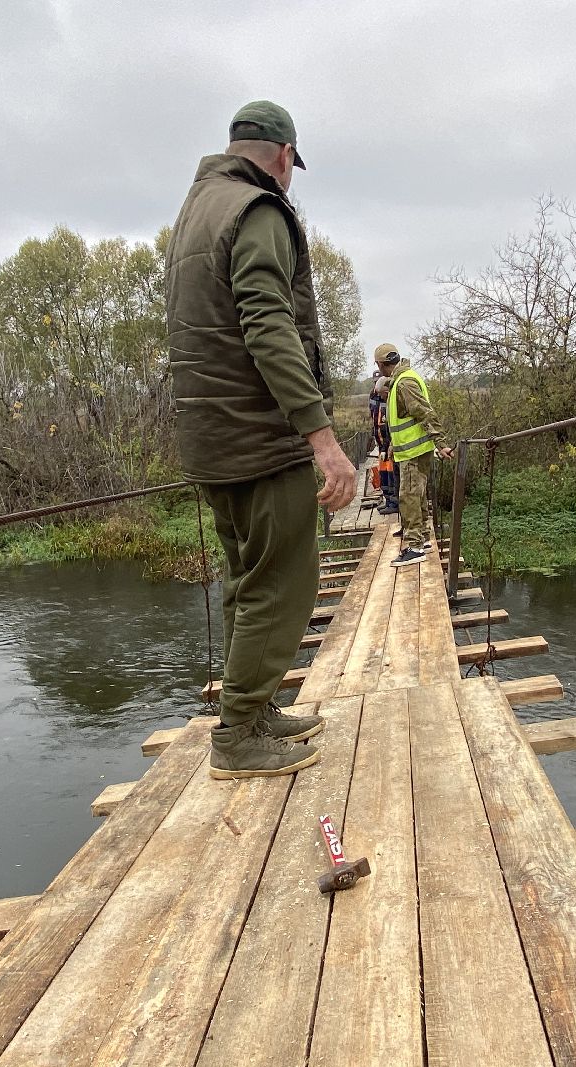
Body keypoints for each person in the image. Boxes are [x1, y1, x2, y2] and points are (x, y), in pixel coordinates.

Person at [167, 100, 357, 779]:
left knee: (250, 582)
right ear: (283, 155)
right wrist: (322, 438)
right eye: (292, 165)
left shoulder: (197, 210)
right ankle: (239, 736)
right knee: (284, 586)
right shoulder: (258, 210)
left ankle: (257, 708)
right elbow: (269, 326)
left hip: (213, 439)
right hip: (258, 437)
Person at [373, 344, 453, 566]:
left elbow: (425, 413)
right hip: (409, 449)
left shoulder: (404, 382)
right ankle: (423, 537)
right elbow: (403, 419)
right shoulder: (401, 380)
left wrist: (441, 443)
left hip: (413, 452)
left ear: (380, 365)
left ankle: (415, 547)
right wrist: (392, 445)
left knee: (408, 496)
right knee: (416, 495)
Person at [373, 375, 400, 514]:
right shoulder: (375, 398)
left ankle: (394, 503)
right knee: (384, 474)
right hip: (382, 443)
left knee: (391, 476)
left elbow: (389, 427)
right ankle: (388, 500)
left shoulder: (391, 401)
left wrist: (386, 446)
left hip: (390, 444)